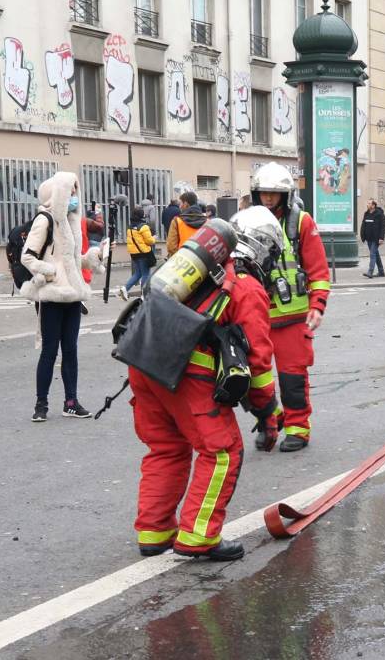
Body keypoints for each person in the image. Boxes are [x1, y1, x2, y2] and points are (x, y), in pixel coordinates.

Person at [130, 207, 281, 561]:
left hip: (143, 362)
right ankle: (198, 536)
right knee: (223, 451)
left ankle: (154, 531)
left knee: (167, 447)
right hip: (187, 371)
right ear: (262, 248)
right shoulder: (247, 286)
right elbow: (258, 362)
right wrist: (267, 411)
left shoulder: (200, 272)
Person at [251, 162, 330, 452]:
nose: (268, 198)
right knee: (253, 380)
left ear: (285, 194)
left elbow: (319, 271)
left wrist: (317, 306)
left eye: (274, 193)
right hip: (255, 316)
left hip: (293, 317)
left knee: (292, 377)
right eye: (263, 193)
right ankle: (270, 420)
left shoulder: (301, 222)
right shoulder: (246, 222)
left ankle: (298, 427)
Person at [20, 172, 96, 422]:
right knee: (50, 352)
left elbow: (71, 261)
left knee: (71, 351)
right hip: (52, 295)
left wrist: (91, 258)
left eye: (76, 190)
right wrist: (48, 271)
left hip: (72, 295)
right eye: (70, 190)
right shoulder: (45, 219)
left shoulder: (71, 220)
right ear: (58, 193)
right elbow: (27, 256)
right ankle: (40, 405)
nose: (74, 195)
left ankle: (71, 402)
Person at [120, 206, 156, 299]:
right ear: (141, 215)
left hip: (134, 254)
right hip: (144, 254)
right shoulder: (144, 227)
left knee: (138, 273)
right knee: (145, 274)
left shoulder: (130, 227)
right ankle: (144, 294)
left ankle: (125, 288)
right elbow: (149, 241)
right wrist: (154, 238)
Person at [165, 191, 207, 256]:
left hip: (183, 260)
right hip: (201, 261)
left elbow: (171, 247)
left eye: (181, 203)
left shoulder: (177, 221)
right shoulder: (207, 222)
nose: (180, 206)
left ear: (186, 203)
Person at [360, 199, 385, 278]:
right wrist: (363, 236)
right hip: (369, 238)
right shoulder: (366, 213)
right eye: (367, 203)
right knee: (376, 254)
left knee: (372, 254)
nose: (367, 205)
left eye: (369, 203)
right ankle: (381, 272)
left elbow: (383, 227)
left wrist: (381, 238)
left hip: (376, 238)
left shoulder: (379, 214)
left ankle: (370, 272)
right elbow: (363, 225)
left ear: (373, 205)